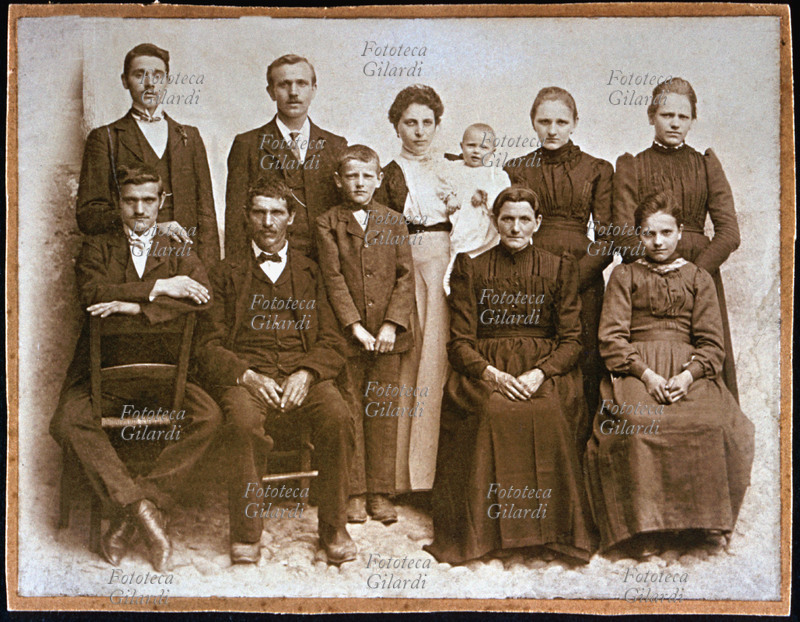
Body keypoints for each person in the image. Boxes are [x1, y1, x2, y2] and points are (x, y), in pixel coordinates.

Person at [50, 165, 222, 573]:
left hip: (168, 375)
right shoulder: (97, 248)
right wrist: (160, 289)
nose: (139, 209)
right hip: (104, 375)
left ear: (161, 203)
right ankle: (143, 511)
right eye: (130, 201)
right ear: (117, 203)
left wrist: (131, 307)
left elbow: (204, 300)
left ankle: (134, 511)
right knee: (68, 420)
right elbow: (92, 293)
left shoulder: (178, 248)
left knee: (210, 417)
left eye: (148, 200)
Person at [425, 186, 597, 565]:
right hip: (488, 369)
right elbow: (459, 343)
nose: (515, 227)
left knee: (549, 411)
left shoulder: (560, 266)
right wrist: (493, 375)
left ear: (537, 222)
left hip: (544, 367)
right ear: (494, 220)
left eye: (523, 219)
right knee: (494, 411)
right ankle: (484, 536)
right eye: (507, 219)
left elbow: (571, 340)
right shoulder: (471, 266)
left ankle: (553, 533)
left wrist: (541, 373)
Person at [585, 192, 754, 558]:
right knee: (636, 424)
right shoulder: (624, 274)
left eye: (665, 232)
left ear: (680, 232)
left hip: (686, 370)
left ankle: (702, 522)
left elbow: (712, 343)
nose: (658, 242)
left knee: (715, 423)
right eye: (648, 234)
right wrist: (646, 376)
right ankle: (644, 527)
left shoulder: (698, 277)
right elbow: (612, 338)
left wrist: (689, 376)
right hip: (636, 367)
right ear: (639, 236)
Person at [196, 177, 356, 566]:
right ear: (246, 217)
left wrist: (307, 374)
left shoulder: (311, 271)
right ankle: (247, 532)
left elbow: (334, 341)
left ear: (292, 218)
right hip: (249, 376)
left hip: (303, 373)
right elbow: (207, 346)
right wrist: (246, 375)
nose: (268, 222)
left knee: (338, 417)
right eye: (259, 212)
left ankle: (334, 527)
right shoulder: (223, 273)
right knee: (242, 425)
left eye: (276, 213)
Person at [613, 77, 740, 401]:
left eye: (683, 117)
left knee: (703, 373)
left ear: (693, 120)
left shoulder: (706, 164)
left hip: (700, 275)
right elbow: (624, 236)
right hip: (644, 281)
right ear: (651, 116)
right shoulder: (632, 165)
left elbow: (728, 233)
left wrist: (693, 274)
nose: (674, 122)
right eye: (667, 114)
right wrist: (652, 273)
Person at [504, 87, 614, 453]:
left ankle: (580, 460)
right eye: (544, 121)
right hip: (530, 275)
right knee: (537, 356)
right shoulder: (517, 168)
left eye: (561, 121)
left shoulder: (598, 169)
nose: (553, 129)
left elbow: (608, 238)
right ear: (533, 123)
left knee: (583, 361)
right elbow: (512, 227)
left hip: (583, 277)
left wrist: (570, 282)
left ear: (575, 123)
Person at [316, 145, 415, 525]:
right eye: (351, 176)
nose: (359, 183)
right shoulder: (328, 222)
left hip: (389, 336)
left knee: (383, 410)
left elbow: (405, 276)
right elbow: (332, 277)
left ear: (379, 179)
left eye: (366, 176)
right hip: (348, 334)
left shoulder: (394, 222)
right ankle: (354, 490)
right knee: (351, 408)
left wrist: (390, 324)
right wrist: (354, 326)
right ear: (339, 181)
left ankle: (380, 491)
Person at [374, 84, 455, 491]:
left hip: (452, 266)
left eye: (427, 123)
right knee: (413, 366)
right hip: (409, 264)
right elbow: (385, 235)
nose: (419, 131)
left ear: (438, 125)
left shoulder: (455, 167)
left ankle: (445, 477)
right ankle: (408, 479)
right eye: (410, 123)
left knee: (443, 365)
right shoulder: (388, 173)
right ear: (396, 126)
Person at [77, 43, 220, 269]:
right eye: (139, 75)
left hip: (185, 259)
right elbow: (88, 215)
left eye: (157, 75)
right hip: (129, 261)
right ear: (125, 81)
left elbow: (206, 214)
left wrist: (211, 272)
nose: (150, 83)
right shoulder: (105, 138)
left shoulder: (189, 136)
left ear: (167, 81)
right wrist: (152, 227)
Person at [225, 54, 347, 261]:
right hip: (271, 262)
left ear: (313, 90)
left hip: (326, 263)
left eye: (301, 83)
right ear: (271, 92)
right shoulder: (247, 145)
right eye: (284, 84)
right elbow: (236, 219)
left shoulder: (336, 145)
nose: (293, 92)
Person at [443, 123, 509, 292]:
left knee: (483, 261)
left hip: (484, 227)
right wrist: (449, 196)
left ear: (493, 151)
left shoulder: (496, 174)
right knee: (457, 254)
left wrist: (484, 195)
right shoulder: (453, 169)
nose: (476, 151)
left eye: (483, 147)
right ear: (461, 146)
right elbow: (440, 185)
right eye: (470, 145)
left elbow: (503, 201)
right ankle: (452, 287)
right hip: (460, 224)